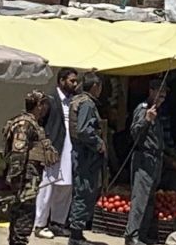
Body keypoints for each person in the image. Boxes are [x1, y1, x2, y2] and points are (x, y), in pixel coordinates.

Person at [4, 91, 62, 245]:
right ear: (38, 105)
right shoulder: (24, 124)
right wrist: (16, 179)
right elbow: (18, 152)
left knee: (23, 212)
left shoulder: (34, 124)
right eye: (44, 105)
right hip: (25, 177)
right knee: (24, 212)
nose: (45, 109)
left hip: (32, 175)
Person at [37, 68, 80, 239]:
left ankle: (58, 223)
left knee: (66, 187)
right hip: (53, 149)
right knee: (47, 186)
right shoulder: (49, 99)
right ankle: (40, 225)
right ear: (61, 81)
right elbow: (40, 123)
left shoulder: (74, 101)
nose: (75, 84)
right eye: (72, 81)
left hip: (70, 149)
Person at [126, 78, 169, 245]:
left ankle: (142, 234)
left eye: (164, 97)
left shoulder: (157, 111)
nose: (161, 99)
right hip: (143, 158)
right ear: (151, 91)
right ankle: (132, 235)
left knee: (150, 199)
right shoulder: (143, 109)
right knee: (140, 198)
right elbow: (135, 133)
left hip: (155, 159)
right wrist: (147, 120)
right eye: (160, 95)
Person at [67, 72, 108, 245]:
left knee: (83, 190)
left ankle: (77, 232)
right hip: (85, 156)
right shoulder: (87, 104)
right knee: (84, 191)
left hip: (81, 154)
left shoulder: (78, 100)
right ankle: (76, 235)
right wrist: (98, 142)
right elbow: (84, 130)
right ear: (95, 86)